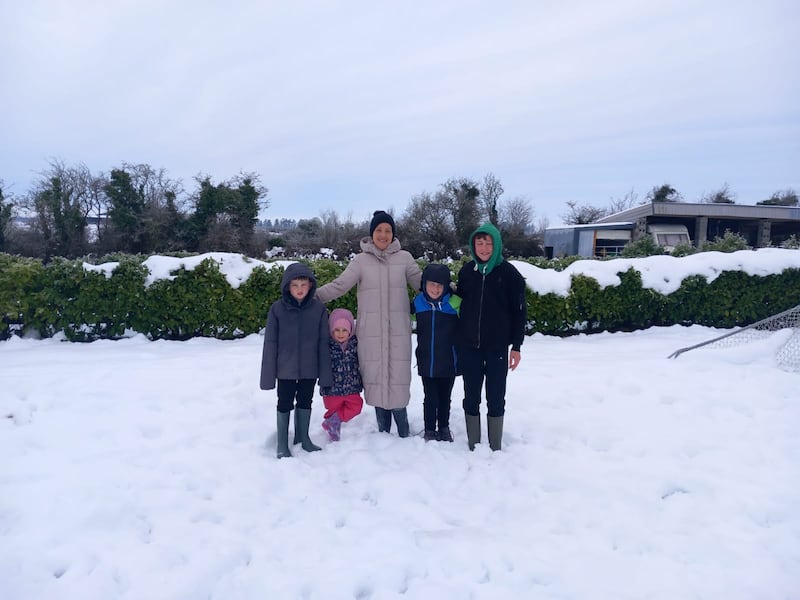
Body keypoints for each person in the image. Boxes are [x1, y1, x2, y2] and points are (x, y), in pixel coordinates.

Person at [316, 210, 422, 437]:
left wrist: (451, 291)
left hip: (398, 333)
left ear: (393, 234)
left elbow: (423, 285)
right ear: (371, 233)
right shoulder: (361, 261)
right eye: (378, 230)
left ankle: (403, 433)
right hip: (370, 333)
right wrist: (311, 297)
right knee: (375, 380)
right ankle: (383, 432)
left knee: (399, 382)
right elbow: (339, 285)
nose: (383, 235)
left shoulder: (405, 259)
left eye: (387, 231)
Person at [457, 223, 527, 451]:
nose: (484, 248)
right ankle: (473, 442)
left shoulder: (510, 275)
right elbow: (459, 304)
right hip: (470, 347)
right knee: (471, 396)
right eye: (480, 243)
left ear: (496, 245)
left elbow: (519, 313)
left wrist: (516, 346)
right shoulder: (467, 272)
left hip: (497, 348)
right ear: (473, 245)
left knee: (496, 397)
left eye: (489, 243)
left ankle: (495, 444)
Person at [260, 262, 333, 458]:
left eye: (303, 285)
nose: (299, 290)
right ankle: (282, 444)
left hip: (310, 368)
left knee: (305, 401)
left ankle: (303, 438)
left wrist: (325, 375)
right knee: (284, 402)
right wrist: (268, 377)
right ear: (287, 287)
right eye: (295, 285)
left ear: (310, 286)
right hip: (285, 369)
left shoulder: (318, 310)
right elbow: (270, 343)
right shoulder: (277, 310)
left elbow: (323, 342)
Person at [412, 263, 461, 442]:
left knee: (445, 397)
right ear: (424, 284)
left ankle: (444, 427)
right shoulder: (418, 302)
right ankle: (430, 429)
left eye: (440, 285)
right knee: (430, 396)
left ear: (447, 286)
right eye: (431, 284)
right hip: (427, 359)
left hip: (449, 360)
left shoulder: (455, 303)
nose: (435, 288)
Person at [319, 308, 363, 441]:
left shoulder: (355, 344)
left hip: (352, 386)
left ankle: (334, 421)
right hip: (332, 388)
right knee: (333, 409)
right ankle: (333, 428)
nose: (340, 334)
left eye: (344, 330)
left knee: (356, 407)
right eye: (336, 330)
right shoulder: (327, 345)